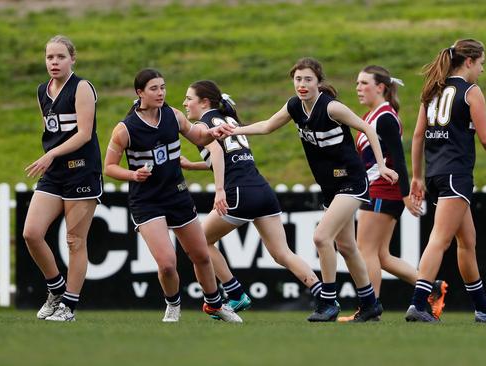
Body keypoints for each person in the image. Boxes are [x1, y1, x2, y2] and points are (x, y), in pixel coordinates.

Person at [222, 57, 398, 322]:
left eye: (308, 79)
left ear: (318, 82)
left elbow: (367, 128)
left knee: (321, 237)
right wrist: (234, 131)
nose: (302, 85)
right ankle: (371, 304)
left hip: (351, 180)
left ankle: (328, 302)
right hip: (331, 187)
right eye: (298, 79)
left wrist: (382, 165)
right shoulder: (294, 106)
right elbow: (268, 126)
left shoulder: (331, 108)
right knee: (347, 246)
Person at [103, 68, 241, 323]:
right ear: (139, 93)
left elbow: (196, 134)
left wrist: (212, 133)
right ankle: (173, 305)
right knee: (167, 263)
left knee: (200, 255)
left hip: (176, 194)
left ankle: (214, 304)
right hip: (146, 200)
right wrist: (133, 175)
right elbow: (109, 167)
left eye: (163, 87)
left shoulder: (173, 116)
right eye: (154, 88)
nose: (160, 93)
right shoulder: (125, 129)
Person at [180, 80, 323, 313]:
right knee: (282, 253)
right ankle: (324, 296)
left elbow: (217, 153)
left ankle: (235, 293)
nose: (185, 103)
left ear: (204, 102)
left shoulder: (203, 124)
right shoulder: (230, 119)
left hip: (238, 192)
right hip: (262, 190)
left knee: (200, 243)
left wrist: (219, 190)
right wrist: (192, 166)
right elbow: (231, 160)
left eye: (189, 98)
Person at [405, 39, 486, 323]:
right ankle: (418, 303)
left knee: (467, 241)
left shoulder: (433, 89)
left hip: (436, 173)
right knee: (440, 239)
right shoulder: (471, 92)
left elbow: (418, 136)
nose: (481, 70)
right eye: (481, 64)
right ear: (469, 62)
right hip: (457, 173)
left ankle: (482, 308)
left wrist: (417, 175)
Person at [339, 65, 448, 322]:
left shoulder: (385, 117)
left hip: (382, 190)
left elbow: (398, 160)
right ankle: (431, 286)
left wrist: (405, 195)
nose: (358, 88)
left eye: (364, 83)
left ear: (381, 87)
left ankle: (370, 308)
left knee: (365, 250)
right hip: (378, 190)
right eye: (357, 83)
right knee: (382, 256)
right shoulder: (372, 115)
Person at [22, 35, 102, 322]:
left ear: (72, 59)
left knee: (74, 241)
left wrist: (50, 154)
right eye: (49, 57)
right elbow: (52, 131)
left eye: (60, 57)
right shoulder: (42, 90)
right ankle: (55, 288)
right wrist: (52, 156)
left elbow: (84, 134)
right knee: (31, 233)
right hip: (54, 173)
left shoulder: (82, 87)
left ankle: (68, 306)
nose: (54, 62)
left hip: (82, 171)